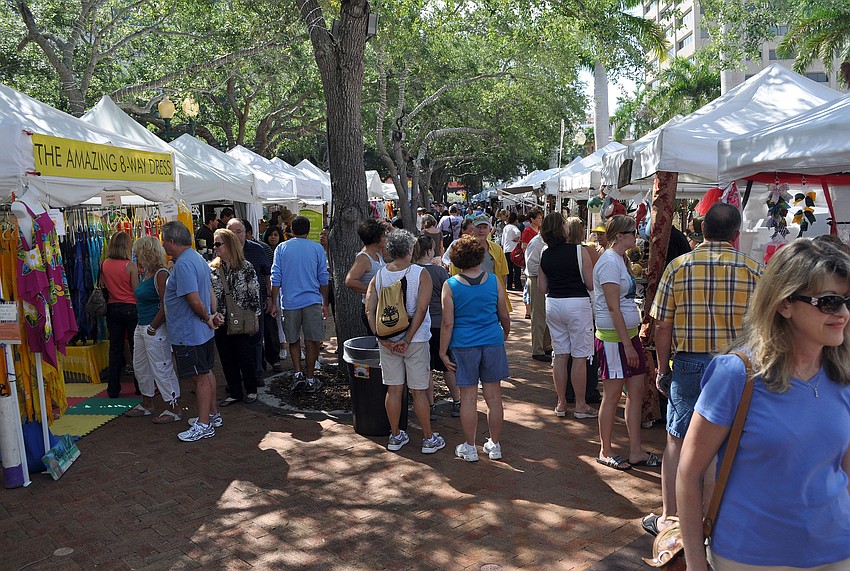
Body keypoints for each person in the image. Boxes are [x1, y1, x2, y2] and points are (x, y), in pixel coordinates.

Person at [678, 238, 850, 570]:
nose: (842, 313)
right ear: (784, 304)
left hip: (836, 551)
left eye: (846, 300)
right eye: (828, 302)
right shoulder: (736, 374)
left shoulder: (843, 376)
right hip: (748, 555)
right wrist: (696, 562)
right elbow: (689, 471)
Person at [643, 203, 761, 535]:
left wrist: (663, 368)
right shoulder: (755, 270)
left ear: (701, 229)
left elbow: (662, 325)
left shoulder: (678, 267)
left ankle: (671, 517)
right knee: (726, 442)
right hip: (739, 366)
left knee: (678, 441)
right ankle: (711, 519)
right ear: (736, 235)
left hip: (690, 363)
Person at [365, 230, 444, 454]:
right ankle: (428, 439)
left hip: (388, 340)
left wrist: (382, 338)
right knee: (419, 391)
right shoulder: (421, 273)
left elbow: (369, 309)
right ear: (410, 250)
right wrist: (408, 338)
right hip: (416, 340)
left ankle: (395, 435)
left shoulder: (378, 276)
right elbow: (421, 309)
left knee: (394, 389)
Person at [440, 235, 511, 462]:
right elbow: (504, 314)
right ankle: (495, 444)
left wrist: (442, 351)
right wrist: (504, 334)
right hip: (492, 341)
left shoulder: (450, 285)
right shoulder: (493, 281)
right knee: (494, 397)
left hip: (463, 344)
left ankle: (470, 447)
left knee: (468, 398)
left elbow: (447, 323)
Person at [593, 215, 655, 470]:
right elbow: (612, 307)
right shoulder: (609, 262)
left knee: (635, 391)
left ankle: (635, 450)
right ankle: (605, 449)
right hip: (614, 338)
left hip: (626, 335)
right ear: (620, 235)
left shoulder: (617, 260)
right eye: (632, 231)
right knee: (613, 394)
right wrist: (627, 344)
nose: (636, 234)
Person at [161, 221, 224, 442]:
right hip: (199, 330)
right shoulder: (196, 258)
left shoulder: (186, 264)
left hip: (191, 332)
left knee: (200, 377)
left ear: (170, 242)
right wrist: (211, 315)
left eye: (163, 239)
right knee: (205, 373)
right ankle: (211, 415)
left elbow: (194, 298)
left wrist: (208, 317)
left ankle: (205, 423)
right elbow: (207, 292)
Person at [538, 214, 597, 420]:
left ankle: (561, 402)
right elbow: (590, 284)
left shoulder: (545, 253)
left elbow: (541, 287)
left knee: (560, 355)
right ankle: (580, 405)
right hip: (577, 304)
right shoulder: (580, 252)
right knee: (579, 356)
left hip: (554, 304)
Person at [125, 236, 181, 423]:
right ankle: (147, 403)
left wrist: (153, 326)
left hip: (153, 327)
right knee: (141, 366)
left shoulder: (160, 274)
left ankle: (173, 407)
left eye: (139, 252)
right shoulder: (148, 273)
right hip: (144, 326)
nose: (136, 256)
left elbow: (167, 304)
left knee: (161, 366)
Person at [270, 216, 329, 392]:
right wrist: (324, 301)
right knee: (312, 340)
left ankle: (297, 373)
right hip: (312, 301)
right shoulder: (317, 248)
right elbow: (323, 278)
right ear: (308, 230)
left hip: (289, 302)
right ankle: (310, 377)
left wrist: (273, 301)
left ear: (291, 231)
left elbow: (276, 277)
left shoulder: (282, 248)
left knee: (293, 339)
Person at [209, 228, 261, 406]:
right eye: (214, 243)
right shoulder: (212, 269)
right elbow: (211, 295)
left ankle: (251, 389)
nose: (214, 247)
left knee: (244, 356)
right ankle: (235, 392)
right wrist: (213, 314)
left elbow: (254, 294)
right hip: (221, 320)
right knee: (226, 357)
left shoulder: (246, 267)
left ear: (229, 244)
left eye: (218, 243)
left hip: (241, 318)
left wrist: (255, 317)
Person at [414, 235, 461, 419]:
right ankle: (457, 401)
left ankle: (431, 405)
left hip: (420, 326)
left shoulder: (411, 271)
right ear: (429, 251)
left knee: (427, 368)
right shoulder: (440, 272)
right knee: (448, 364)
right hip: (440, 324)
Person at [227, 219, 279, 380]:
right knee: (236, 342)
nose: (236, 235)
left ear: (246, 233)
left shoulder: (257, 249)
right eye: (232, 232)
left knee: (257, 338)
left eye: (239, 231)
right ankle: (241, 374)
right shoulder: (223, 251)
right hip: (232, 306)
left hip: (257, 303)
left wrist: (270, 297)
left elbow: (266, 274)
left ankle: (257, 373)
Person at [101, 231, 139, 399]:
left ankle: (113, 389)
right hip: (131, 307)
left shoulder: (104, 264)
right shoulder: (130, 266)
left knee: (115, 349)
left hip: (112, 307)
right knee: (135, 348)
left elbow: (103, 285)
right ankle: (140, 386)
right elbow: (136, 290)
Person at [344, 218, 388, 331]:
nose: (385, 238)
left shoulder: (378, 253)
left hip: (381, 305)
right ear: (376, 239)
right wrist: (371, 290)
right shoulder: (364, 258)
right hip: (372, 307)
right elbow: (350, 281)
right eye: (383, 236)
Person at [525, 222, 552, 361]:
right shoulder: (536, 243)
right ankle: (538, 349)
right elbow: (531, 266)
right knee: (539, 316)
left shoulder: (543, 242)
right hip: (536, 280)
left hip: (542, 279)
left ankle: (546, 345)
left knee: (545, 315)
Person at [502, 212, 522, 291]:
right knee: (516, 269)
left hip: (506, 250)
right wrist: (517, 238)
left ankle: (509, 285)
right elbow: (518, 232)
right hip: (514, 250)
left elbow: (503, 240)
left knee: (509, 269)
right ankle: (518, 285)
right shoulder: (514, 227)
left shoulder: (506, 227)